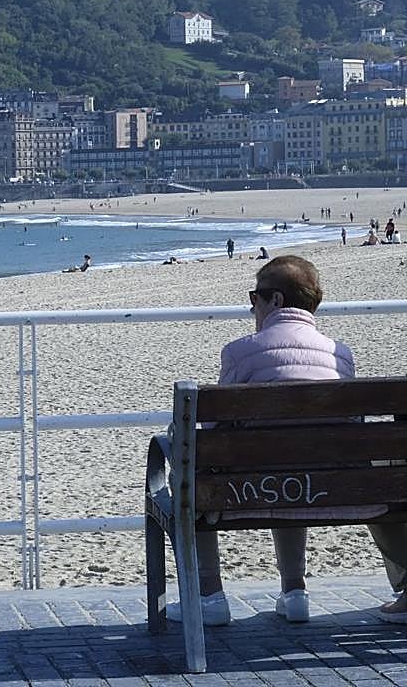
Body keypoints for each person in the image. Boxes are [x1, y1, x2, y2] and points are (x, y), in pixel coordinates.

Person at [169, 256, 407, 627]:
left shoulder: (239, 351)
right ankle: (294, 591)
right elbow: (351, 425)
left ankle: (210, 596)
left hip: (247, 489)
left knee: (193, 466)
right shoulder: (340, 354)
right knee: (299, 462)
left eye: (255, 296)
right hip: (336, 488)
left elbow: (214, 426)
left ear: (275, 300)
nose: (252, 306)